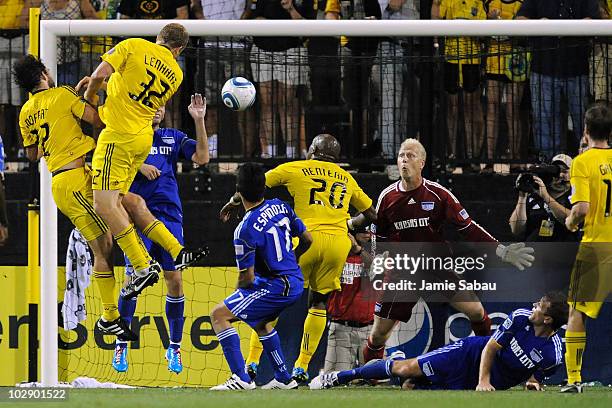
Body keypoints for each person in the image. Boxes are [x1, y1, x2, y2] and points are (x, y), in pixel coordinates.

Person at [15, 54, 200, 340]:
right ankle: (130, 282)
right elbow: (96, 119)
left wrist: (66, 118)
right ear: (44, 73)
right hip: (72, 182)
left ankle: (174, 254)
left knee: (133, 204)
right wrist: (94, 96)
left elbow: (32, 154)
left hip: (72, 176)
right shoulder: (62, 94)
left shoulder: (26, 111)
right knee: (104, 243)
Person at [348, 138, 535, 364]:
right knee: (378, 335)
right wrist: (378, 261)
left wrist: (502, 251)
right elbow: (379, 234)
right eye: (401, 156)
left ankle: (489, 363)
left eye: (410, 155)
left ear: (422, 162)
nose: (404, 160)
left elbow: (469, 228)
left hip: (437, 268)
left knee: (476, 312)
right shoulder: (387, 197)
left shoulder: (439, 194)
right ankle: (370, 374)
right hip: (404, 273)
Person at [220, 134, 377, 382]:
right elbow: (370, 213)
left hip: (306, 238)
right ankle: (301, 367)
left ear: (311, 151)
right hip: (338, 244)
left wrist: (233, 202)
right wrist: (347, 224)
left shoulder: (297, 168)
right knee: (318, 303)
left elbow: (258, 183)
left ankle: (252, 361)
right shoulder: (346, 178)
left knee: (274, 298)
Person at [79, 23, 204, 300]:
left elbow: (100, 74)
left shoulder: (133, 45)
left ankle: (141, 264)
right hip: (142, 139)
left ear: (158, 37)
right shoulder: (177, 73)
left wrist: (89, 97)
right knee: (126, 201)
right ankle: (174, 249)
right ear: (179, 49)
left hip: (118, 138)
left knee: (103, 203)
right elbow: (134, 91)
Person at [112, 94, 210, 374]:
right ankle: (121, 342)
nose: (157, 109)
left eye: (162, 105)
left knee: (175, 281)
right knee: (134, 279)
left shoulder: (173, 137)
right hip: (134, 216)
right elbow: (108, 162)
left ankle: (175, 347)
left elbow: (202, 158)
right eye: (152, 104)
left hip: (168, 217)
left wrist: (199, 121)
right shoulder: (128, 137)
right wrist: (138, 166)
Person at [310, 293, 567, 391]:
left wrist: (534, 381)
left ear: (547, 320)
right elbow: (490, 347)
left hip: (491, 382)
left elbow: (542, 371)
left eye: (539, 307)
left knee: (410, 388)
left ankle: (409, 380)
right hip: (472, 356)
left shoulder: (554, 353)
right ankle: (339, 377)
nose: (532, 306)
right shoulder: (521, 318)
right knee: (405, 368)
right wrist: (483, 381)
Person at [211, 163, 313, 390]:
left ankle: (241, 378)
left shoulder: (244, 230)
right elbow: (307, 239)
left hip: (276, 285)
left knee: (219, 315)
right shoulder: (281, 206)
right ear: (264, 187)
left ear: (238, 188)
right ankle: (284, 379)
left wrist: (238, 291)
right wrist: (291, 261)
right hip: (294, 280)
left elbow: (246, 278)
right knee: (261, 322)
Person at [561, 102, 612, 393]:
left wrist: (569, 221)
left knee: (576, 311)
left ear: (585, 129)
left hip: (596, 247)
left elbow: (581, 208)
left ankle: (574, 379)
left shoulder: (582, 162)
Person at [517, 0, 601, 160]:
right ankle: (549, 168)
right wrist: (539, 24)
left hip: (576, 70)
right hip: (543, 70)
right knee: (544, 125)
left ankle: (587, 165)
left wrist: (566, 27)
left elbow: (594, 21)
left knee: (583, 124)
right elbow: (519, 20)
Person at [433, 0, 485, 164]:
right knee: (452, 108)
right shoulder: (447, 1)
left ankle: (473, 155)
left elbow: (484, 32)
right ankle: (452, 155)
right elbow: (435, 21)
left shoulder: (477, 2)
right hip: (451, 60)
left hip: (473, 61)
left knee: (472, 107)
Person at [324, 225, 376, 372]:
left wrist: (357, 249)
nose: (368, 234)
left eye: (369, 231)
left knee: (377, 381)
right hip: (341, 328)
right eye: (363, 231)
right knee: (333, 380)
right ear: (352, 234)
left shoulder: (377, 253)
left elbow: (377, 270)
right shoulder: (338, 254)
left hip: (370, 330)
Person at [509, 154, 579, 242]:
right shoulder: (535, 194)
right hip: (534, 251)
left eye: (565, 171)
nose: (560, 175)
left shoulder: (575, 195)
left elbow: (573, 220)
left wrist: (546, 197)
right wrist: (522, 196)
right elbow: (516, 230)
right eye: (556, 171)